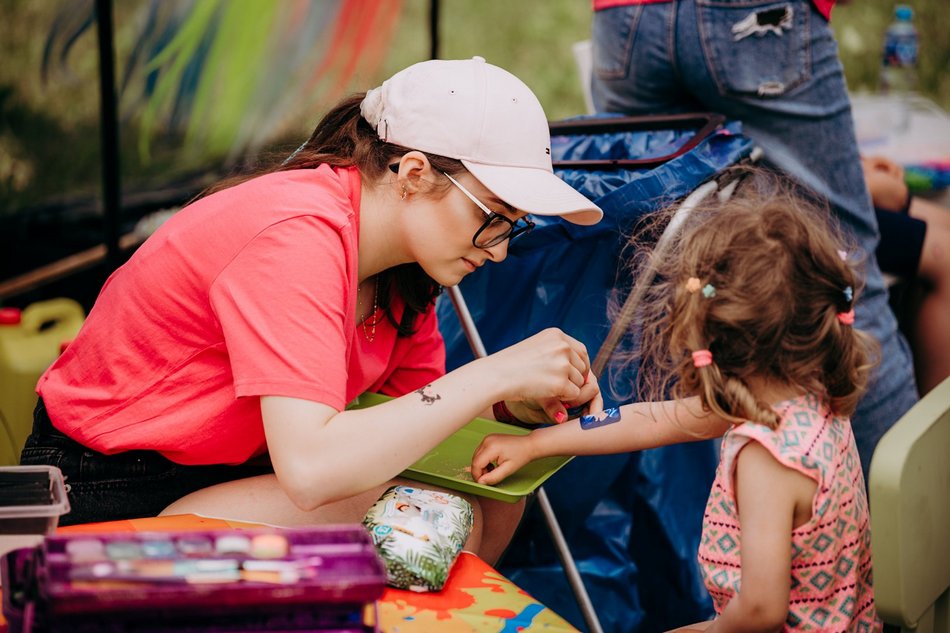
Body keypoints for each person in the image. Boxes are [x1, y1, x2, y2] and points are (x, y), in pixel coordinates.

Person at [19, 57, 604, 565]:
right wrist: (491, 375)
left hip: (231, 471)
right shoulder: (297, 233)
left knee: (481, 501)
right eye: (492, 216)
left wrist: (512, 407)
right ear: (415, 173)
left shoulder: (404, 272)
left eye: (514, 227)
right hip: (106, 486)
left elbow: (407, 428)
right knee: (432, 523)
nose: (500, 249)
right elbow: (313, 469)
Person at [471, 170, 881, 632]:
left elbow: (761, 610)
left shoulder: (768, 456)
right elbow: (648, 419)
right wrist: (535, 445)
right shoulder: (800, 398)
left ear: (714, 337)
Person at [589, 0, 918, 479]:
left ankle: (669, 528)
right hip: (753, 17)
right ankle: (907, 518)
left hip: (626, 20)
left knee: (663, 285)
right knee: (840, 275)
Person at [862, 154, 950, 394]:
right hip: (811, 208)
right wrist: (868, 185)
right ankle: (936, 418)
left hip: (832, 188)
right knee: (946, 258)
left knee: (945, 222)